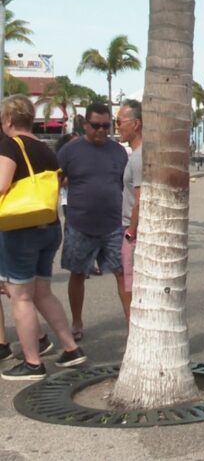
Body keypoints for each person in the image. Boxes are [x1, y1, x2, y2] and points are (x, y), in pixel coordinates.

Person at [0, 95, 87, 380]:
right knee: (42, 292)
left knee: (20, 297)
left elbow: (1, 186)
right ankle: (71, 348)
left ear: (9, 120)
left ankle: (32, 363)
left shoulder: (11, 145)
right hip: (49, 226)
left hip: (20, 228)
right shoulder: (46, 149)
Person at [58, 102, 129, 340]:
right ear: (85, 124)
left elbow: (125, 186)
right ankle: (77, 322)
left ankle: (132, 325)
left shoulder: (118, 151)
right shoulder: (70, 151)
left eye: (106, 126)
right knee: (77, 274)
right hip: (80, 224)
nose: (100, 130)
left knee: (123, 274)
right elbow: (55, 182)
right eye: (96, 125)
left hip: (113, 226)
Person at [116, 99, 142, 322]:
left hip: (133, 231)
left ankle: (135, 333)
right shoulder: (136, 156)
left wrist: (131, 231)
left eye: (120, 122)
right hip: (130, 228)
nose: (117, 127)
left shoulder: (139, 158)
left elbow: (140, 201)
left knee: (131, 284)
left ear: (136, 124)